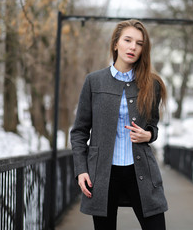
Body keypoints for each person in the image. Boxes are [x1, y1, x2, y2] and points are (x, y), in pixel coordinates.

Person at [70, 19, 168, 230]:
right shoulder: (94, 82)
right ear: (116, 44)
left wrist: (148, 135)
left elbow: (153, 126)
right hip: (103, 174)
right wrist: (81, 170)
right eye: (128, 40)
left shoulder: (152, 85)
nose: (133, 47)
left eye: (139, 43)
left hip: (140, 170)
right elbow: (79, 131)